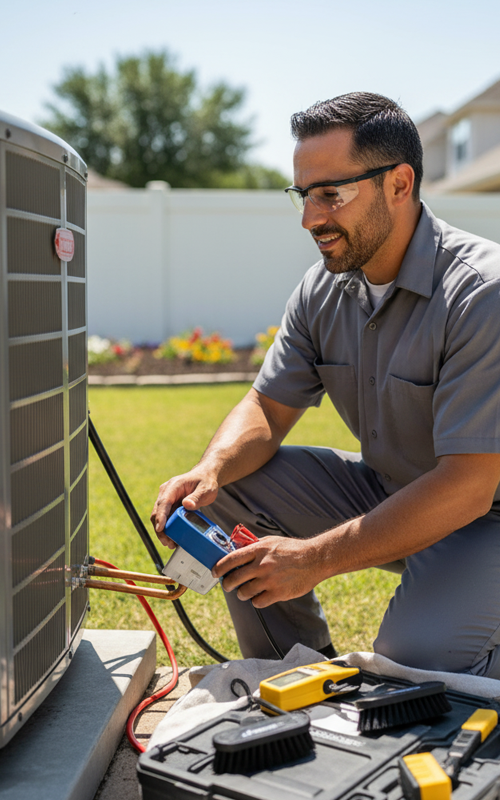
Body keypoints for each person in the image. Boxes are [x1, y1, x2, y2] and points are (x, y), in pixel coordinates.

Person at [151, 92, 500, 677]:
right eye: (304, 195)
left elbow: (468, 486)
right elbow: (267, 406)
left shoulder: (481, 294)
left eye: (331, 194)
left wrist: (312, 558)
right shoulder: (323, 290)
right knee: (234, 487)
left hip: (484, 513)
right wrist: (210, 470)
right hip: (395, 494)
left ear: (399, 183)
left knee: (415, 664)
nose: (311, 218)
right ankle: (294, 674)